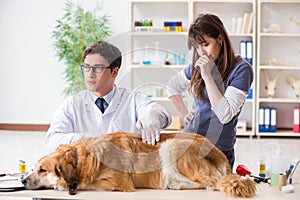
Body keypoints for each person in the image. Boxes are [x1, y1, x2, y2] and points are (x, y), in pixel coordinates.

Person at [46, 40, 171, 152]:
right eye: (86, 67)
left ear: (114, 72)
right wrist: (86, 138)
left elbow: (163, 115)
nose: (90, 74)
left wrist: (153, 115)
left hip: (126, 174)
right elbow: (51, 141)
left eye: (98, 68)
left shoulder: (132, 99)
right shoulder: (72, 104)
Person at [166, 13, 253, 169]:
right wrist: (184, 112)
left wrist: (207, 75)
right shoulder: (197, 65)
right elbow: (171, 86)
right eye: (197, 47)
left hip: (219, 150)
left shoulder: (241, 70)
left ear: (220, 38)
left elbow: (224, 115)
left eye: (205, 44)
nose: (202, 52)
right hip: (190, 145)